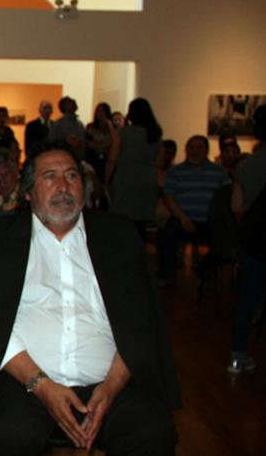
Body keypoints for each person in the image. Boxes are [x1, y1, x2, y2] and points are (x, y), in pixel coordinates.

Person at [0, 141, 180, 455]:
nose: (63, 185)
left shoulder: (118, 236)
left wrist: (111, 387)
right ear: (27, 191)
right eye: (50, 176)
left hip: (111, 380)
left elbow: (142, 321)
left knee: (151, 433)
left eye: (72, 176)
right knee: (6, 436)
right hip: (27, 384)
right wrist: (42, 385)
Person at [157, 136, 230, 285]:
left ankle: (203, 270)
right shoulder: (175, 172)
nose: (195, 151)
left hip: (211, 221)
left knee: (227, 239)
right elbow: (168, 196)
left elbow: (227, 196)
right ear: (186, 150)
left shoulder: (219, 172)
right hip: (183, 219)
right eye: (192, 148)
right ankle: (167, 276)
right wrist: (183, 218)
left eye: (199, 148)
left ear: (207, 150)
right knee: (167, 233)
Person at [229, 105, 266, 374]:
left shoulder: (248, 165)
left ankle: (238, 354)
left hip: (256, 241)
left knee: (247, 298)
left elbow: (237, 208)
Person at [106, 97, 164, 237]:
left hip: (126, 179)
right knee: (141, 224)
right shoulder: (155, 134)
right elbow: (160, 162)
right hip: (147, 180)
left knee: (122, 221)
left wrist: (107, 179)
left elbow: (112, 159)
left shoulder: (123, 132)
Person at [85, 103, 114, 178]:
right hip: (95, 159)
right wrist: (105, 145)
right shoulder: (90, 127)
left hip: (108, 159)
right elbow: (89, 144)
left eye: (103, 111)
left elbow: (114, 142)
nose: (100, 113)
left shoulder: (112, 127)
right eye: (98, 111)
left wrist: (110, 125)